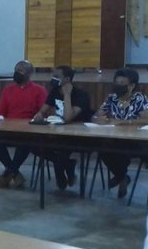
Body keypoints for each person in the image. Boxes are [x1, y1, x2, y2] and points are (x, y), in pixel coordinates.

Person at [32, 66, 92, 189]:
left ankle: (62, 175)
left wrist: (67, 95)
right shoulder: (54, 92)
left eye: (57, 76)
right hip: (58, 132)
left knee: (61, 152)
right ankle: (69, 165)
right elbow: (43, 110)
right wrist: (39, 115)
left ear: (67, 79)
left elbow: (68, 117)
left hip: (77, 135)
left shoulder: (81, 95)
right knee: (32, 146)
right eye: (53, 76)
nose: (53, 79)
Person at [93, 68, 148, 198]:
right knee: (102, 149)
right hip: (115, 138)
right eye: (116, 82)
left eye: (122, 83)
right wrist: (98, 119)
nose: (118, 86)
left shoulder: (139, 98)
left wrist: (125, 122)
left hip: (135, 141)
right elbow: (96, 115)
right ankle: (122, 177)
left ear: (132, 86)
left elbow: (146, 119)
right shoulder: (112, 98)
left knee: (120, 152)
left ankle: (120, 177)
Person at [0, 60, 47, 188]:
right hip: (9, 129)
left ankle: (8, 174)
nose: (17, 73)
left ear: (29, 73)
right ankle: (14, 173)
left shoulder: (39, 90)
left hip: (29, 130)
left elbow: (43, 113)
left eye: (20, 70)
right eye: (16, 70)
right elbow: (1, 113)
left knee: (26, 142)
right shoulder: (8, 90)